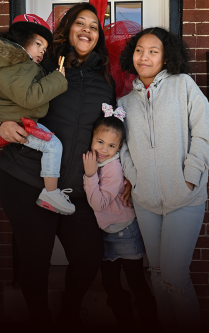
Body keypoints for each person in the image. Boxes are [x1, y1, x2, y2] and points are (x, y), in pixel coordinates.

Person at [0, 3, 117, 331]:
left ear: (99, 36)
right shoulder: (43, 63)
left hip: (75, 190)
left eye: (95, 25)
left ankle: (68, 311)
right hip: (26, 181)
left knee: (90, 257)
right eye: (81, 22)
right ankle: (41, 321)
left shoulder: (106, 80)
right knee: (34, 262)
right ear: (68, 28)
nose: (88, 30)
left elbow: (114, 131)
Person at [118, 27, 209, 333]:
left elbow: (203, 131)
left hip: (185, 198)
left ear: (166, 56)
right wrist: (136, 179)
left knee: (173, 275)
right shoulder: (124, 102)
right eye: (140, 49)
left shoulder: (183, 84)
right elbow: (123, 149)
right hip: (146, 201)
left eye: (153, 51)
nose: (144, 56)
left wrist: (191, 177)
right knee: (156, 271)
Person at [0, 14, 77, 215]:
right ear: (22, 39)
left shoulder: (2, 62)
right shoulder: (20, 64)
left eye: (45, 48)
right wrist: (58, 80)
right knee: (53, 146)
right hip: (20, 123)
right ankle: (51, 193)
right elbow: (29, 97)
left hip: (12, 120)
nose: (42, 51)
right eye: (38, 44)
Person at [83, 104, 157, 331]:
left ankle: (149, 323)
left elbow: (99, 202)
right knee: (110, 284)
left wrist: (89, 174)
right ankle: (126, 323)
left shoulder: (112, 168)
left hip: (125, 233)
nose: (104, 149)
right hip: (106, 235)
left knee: (136, 282)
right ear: (92, 139)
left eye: (112, 145)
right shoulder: (97, 161)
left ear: (119, 148)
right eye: (100, 142)